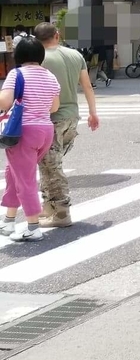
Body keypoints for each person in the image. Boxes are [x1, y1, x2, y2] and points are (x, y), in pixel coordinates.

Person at [33, 23, 99, 228]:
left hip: (50, 118)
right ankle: (49, 207)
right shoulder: (75, 55)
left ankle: (61, 212)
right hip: (71, 117)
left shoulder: (39, 59)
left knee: (51, 166)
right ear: (57, 35)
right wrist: (93, 113)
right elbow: (87, 85)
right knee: (48, 164)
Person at [0, 37, 60, 242]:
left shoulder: (16, 74)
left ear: (19, 56)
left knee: (24, 179)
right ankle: (8, 220)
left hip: (22, 131)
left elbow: (4, 102)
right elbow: (54, 107)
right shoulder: (50, 76)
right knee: (13, 173)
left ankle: (33, 226)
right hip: (45, 131)